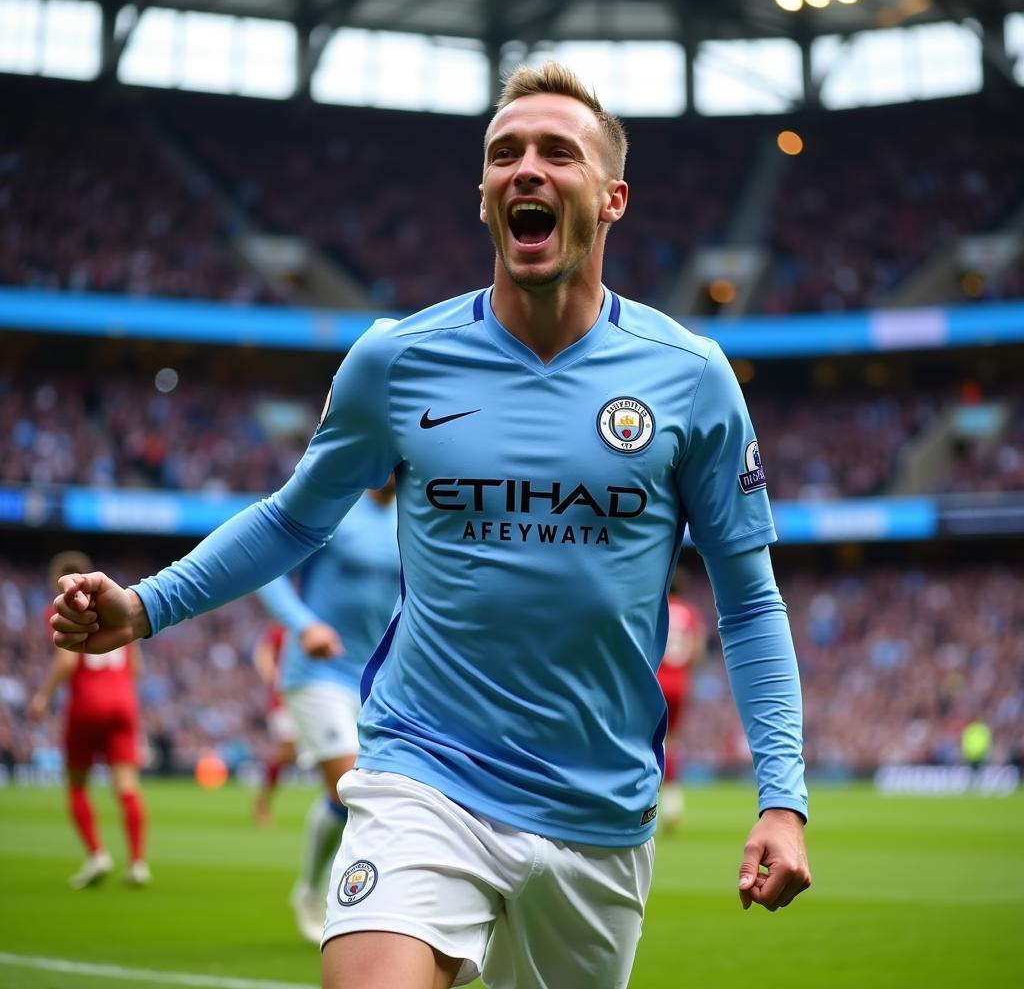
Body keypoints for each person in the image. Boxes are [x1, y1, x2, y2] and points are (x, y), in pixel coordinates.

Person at [51, 61, 810, 989]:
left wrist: (784, 799)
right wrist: (145, 605)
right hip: (424, 773)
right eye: (504, 154)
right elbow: (296, 521)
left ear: (611, 199)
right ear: (484, 196)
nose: (525, 168)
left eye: (556, 152)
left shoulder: (690, 377)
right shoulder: (396, 360)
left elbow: (749, 602)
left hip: (597, 811)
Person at [256, 478, 400, 941]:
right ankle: (324, 895)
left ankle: (322, 890)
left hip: (379, 676)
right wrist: (304, 625)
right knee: (349, 786)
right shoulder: (335, 507)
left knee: (365, 793)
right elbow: (269, 568)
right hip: (318, 674)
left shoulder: (415, 516)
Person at [30, 550, 149, 889]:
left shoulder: (63, 609)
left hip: (86, 703)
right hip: (123, 702)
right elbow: (137, 669)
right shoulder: (116, 606)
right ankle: (138, 863)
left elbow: (67, 662)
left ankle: (98, 854)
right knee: (127, 785)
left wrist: (43, 697)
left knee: (77, 784)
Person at [656, 589, 707, 831]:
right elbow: (697, 648)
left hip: (656, 679)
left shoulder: (657, 605)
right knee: (672, 742)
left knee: (646, 737)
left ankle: (643, 803)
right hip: (679, 682)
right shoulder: (689, 612)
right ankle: (672, 805)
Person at [251, 620, 297, 827]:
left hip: (309, 698)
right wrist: (272, 676)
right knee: (286, 751)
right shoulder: (283, 628)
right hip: (284, 699)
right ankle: (262, 802)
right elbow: (262, 652)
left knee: (292, 754)